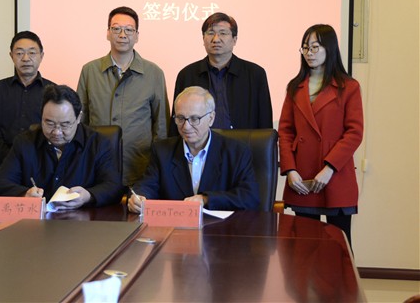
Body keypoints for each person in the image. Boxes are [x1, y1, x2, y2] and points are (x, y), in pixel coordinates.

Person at [278, 24, 364, 248]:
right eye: (305, 48)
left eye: (315, 47)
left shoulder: (349, 87)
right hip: (303, 176)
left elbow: (354, 133)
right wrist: (290, 170)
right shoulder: (295, 87)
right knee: (305, 248)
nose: (309, 53)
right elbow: (285, 132)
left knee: (340, 247)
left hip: (336, 175)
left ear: (330, 48)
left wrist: (329, 168)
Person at [0, 85, 124, 209]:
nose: (57, 132)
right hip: (36, 223)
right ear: (41, 116)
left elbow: (114, 187)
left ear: (78, 118)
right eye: (50, 123)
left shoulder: (98, 143)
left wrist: (88, 196)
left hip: (82, 223)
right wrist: (24, 194)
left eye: (65, 125)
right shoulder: (25, 143)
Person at [77, 6, 170, 187]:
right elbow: (80, 121)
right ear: (107, 33)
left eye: (129, 30)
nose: (122, 35)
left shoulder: (154, 73)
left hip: (140, 168)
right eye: (116, 29)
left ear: (137, 36)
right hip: (97, 168)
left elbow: (161, 127)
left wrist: (158, 168)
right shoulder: (89, 71)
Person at [128, 86, 260, 213]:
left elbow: (250, 197)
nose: (186, 126)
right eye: (180, 118)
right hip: (176, 226)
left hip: (221, 227)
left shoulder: (236, 152)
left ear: (211, 118)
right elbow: (146, 186)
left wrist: (206, 199)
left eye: (194, 119)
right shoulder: (162, 151)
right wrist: (138, 198)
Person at [170, 12, 272, 135]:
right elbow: (177, 119)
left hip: (243, 144)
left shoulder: (255, 74)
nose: (216, 39)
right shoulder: (187, 75)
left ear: (234, 39)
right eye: (210, 33)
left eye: (223, 33)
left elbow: (265, 121)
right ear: (203, 39)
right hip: (200, 145)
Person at [0, 31, 55, 176]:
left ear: (41, 56)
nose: (26, 58)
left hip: (42, 165)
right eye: (20, 53)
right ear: (11, 56)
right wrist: (10, 155)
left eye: (32, 53)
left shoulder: (53, 91)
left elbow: (58, 130)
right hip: (3, 165)